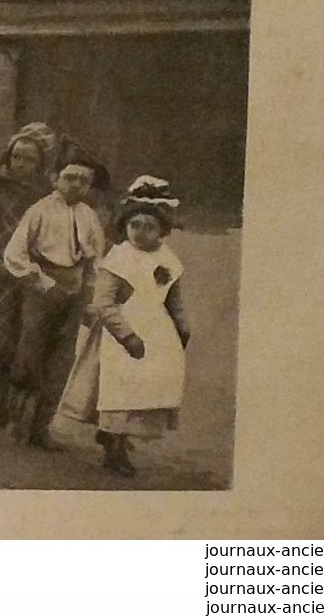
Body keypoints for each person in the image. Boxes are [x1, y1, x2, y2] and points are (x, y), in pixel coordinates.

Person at [58, 176, 190, 477]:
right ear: (125, 225)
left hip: (156, 331)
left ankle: (121, 437)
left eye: (149, 227)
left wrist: (182, 327)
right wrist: (125, 334)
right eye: (135, 225)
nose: (140, 233)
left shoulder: (168, 259)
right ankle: (113, 447)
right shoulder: (119, 257)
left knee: (145, 387)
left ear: (162, 230)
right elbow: (104, 302)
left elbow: (174, 300)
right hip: (120, 333)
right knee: (117, 388)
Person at [1, 156, 111, 450]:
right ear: (55, 179)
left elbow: (95, 261)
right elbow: (15, 253)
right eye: (70, 178)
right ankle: (17, 422)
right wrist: (43, 282)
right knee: (30, 352)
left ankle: (42, 427)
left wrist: (89, 296)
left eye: (84, 181)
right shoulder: (39, 211)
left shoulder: (89, 216)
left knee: (61, 358)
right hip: (42, 286)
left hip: (74, 290)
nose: (76, 185)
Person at [0, 132, 53, 426]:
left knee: (28, 341)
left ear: (40, 164)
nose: (21, 163)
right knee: (0, 339)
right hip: (3, 279)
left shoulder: (47, 202)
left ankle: (19, 406)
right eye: (16, 156)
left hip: (34, 280)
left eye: (29, 159)